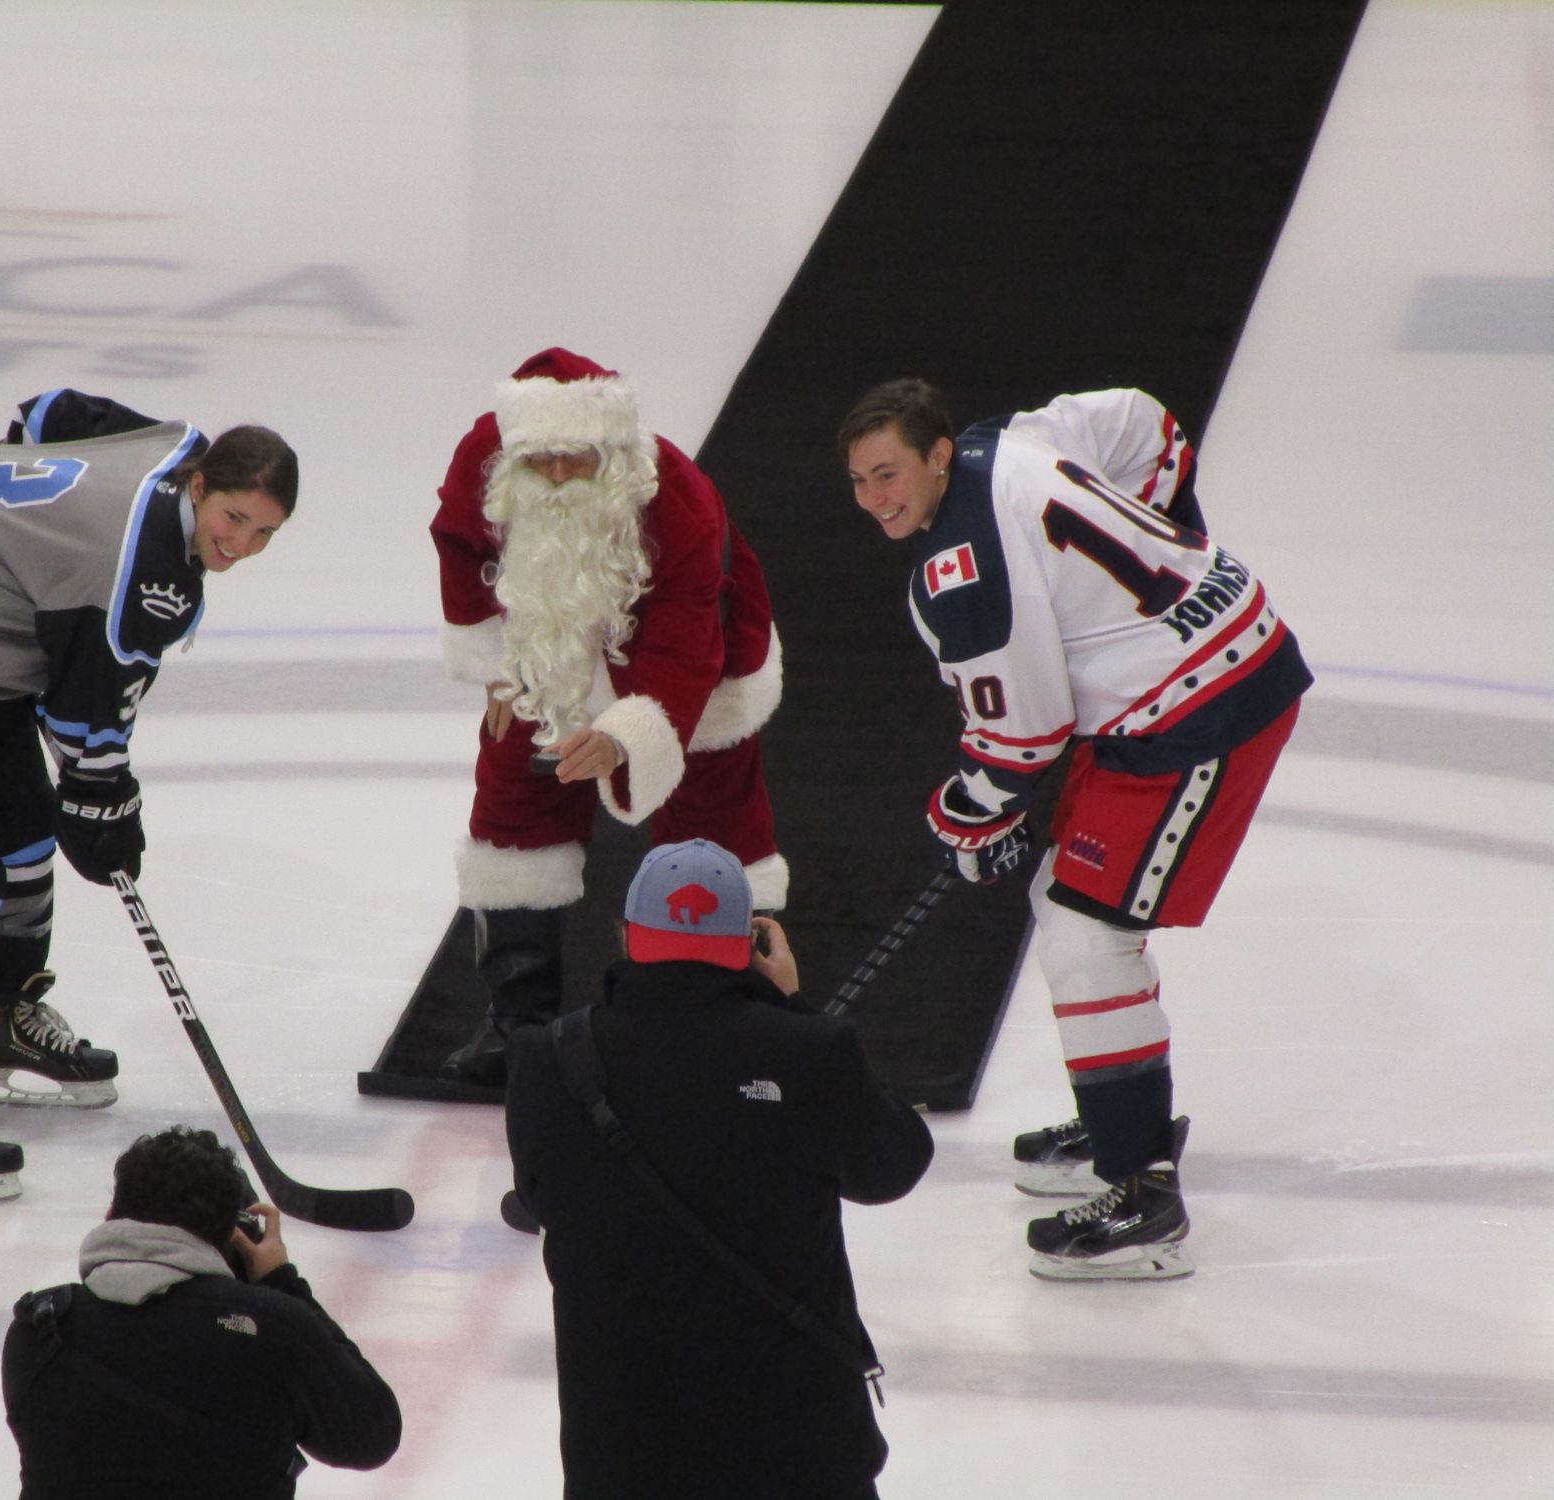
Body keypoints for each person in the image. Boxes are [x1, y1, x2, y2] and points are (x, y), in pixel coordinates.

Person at [839, 381, 1312, 1281]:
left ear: (939, 455)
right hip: (1199, 670)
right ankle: (1122, 1115)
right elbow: (1145, 422)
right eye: (859, 480)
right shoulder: (1007, 437)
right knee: (1069, 908)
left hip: (1196, 710)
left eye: (889, 473)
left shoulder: (960, 569)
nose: (875, 499)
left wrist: (965, 813)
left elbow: (1025, 734)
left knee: (1087, 932)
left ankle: (1143, 1191)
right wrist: (1174, 553)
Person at [0, 388, 295, 1200]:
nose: (241, 544)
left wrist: (21, 540)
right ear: (200, 486)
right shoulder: (145, 577)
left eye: (264, 533)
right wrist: (104, 801)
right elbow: (85, 719)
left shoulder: (172, 442)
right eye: (233, 520)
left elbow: (49, 412)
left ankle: (0, 1020)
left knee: (27, 839)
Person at [505, 839, 933, 1500]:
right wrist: (792, 1007)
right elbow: (892, 1166)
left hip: (622, 1456)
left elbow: (542, 1198)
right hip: (801, 1455)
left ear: (628, 937)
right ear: (748, 945)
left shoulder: (546, 1062)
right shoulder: (811, 1053)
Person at [431, 348, 787, 1086]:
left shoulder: (680, 501)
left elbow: (688, 644)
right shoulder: (484, 458)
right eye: (541, 461)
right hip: (547, 645)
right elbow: (461, 551)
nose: (558, 474)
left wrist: (629, 738)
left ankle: (731, 1011)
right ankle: (516, 1022)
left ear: (613, 453)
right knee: (512, 808)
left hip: (692, 658)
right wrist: (500, 667)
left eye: (577, 459)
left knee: (714, 824)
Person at [1, 1126, 401, 1498]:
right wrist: (280, 1281)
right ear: (233, 1240)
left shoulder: (38, 1330)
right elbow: (372, 1435)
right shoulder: (271, 1328)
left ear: (111, 1216)